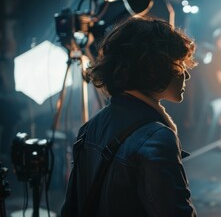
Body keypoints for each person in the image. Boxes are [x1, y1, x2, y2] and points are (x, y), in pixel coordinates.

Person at [61, 15, 197, 217]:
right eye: (179, 64)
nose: (186, 75)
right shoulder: (158, 138)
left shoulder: (90, 126)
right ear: (153, 68)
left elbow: (71, 208)